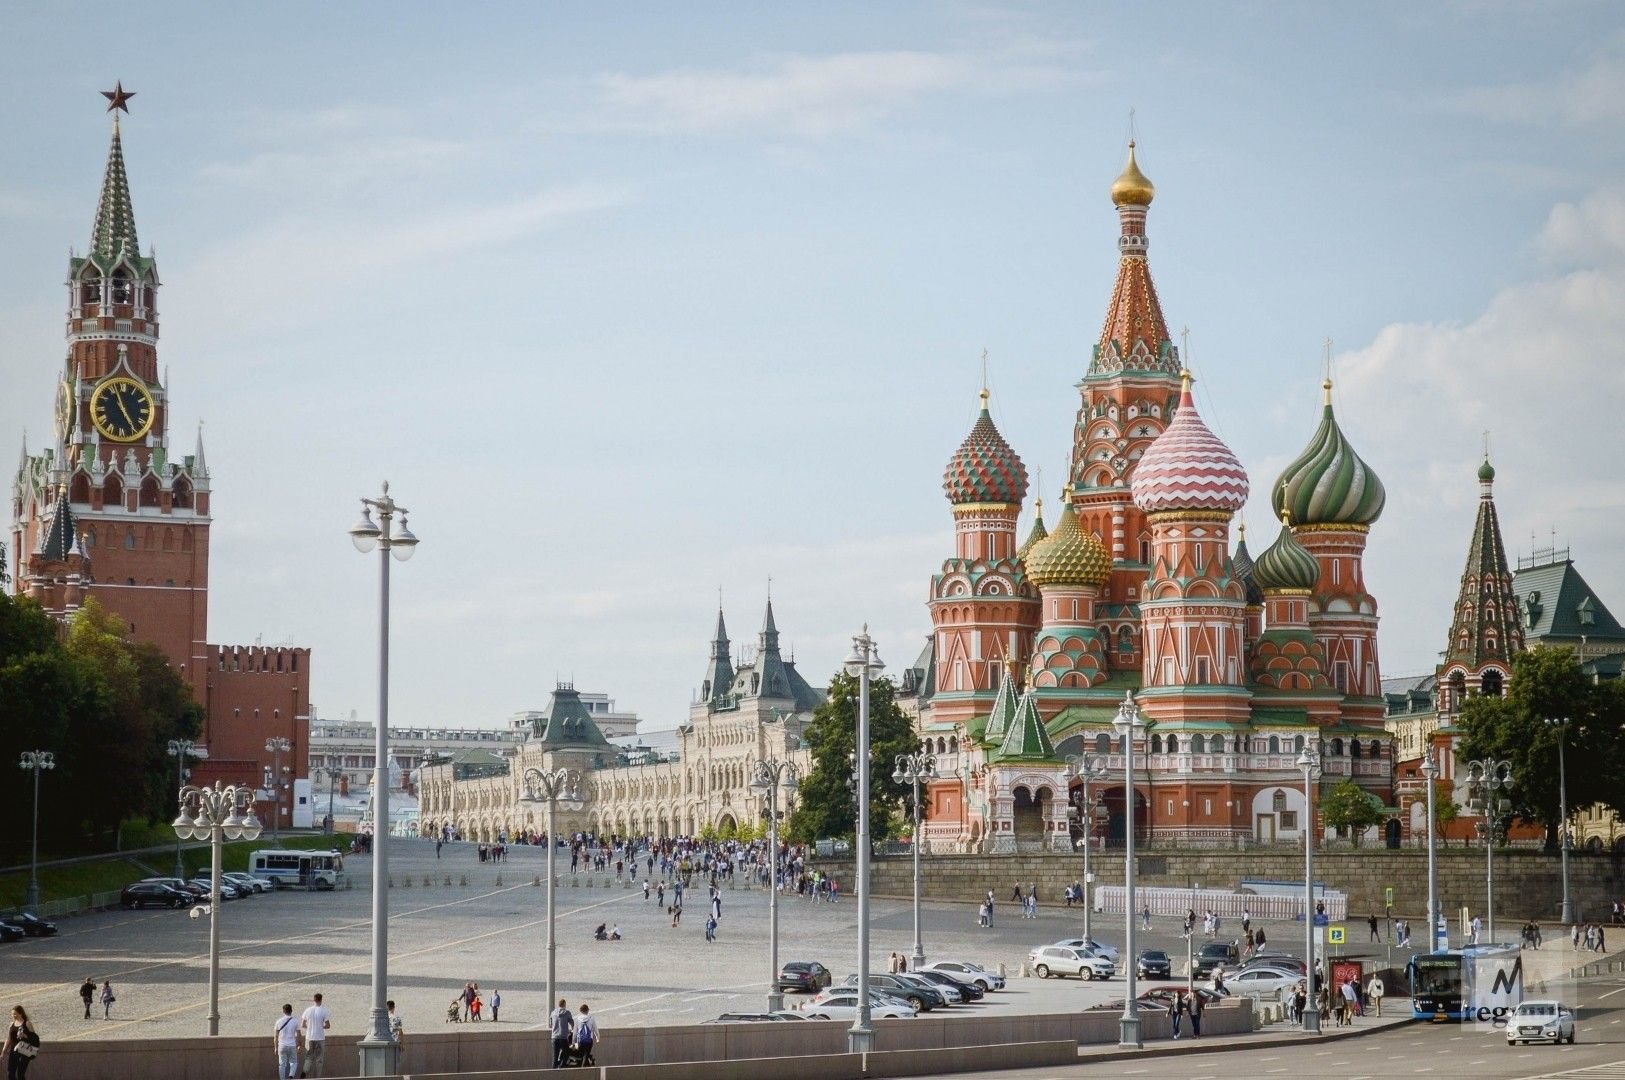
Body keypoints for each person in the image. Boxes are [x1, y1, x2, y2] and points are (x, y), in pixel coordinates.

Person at [300, 991, 331, 1077]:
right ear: (321, 1000)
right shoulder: (324, 1010)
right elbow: (328, 1025)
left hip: (309, 1037)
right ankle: (317, 1077)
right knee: (319, 1059)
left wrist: (309, 1027)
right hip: (320, 1038)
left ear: (313, 1000)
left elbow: (302, 1024)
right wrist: (321, 1026)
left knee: (308, 1057)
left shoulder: (308, 1010)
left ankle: (304, 1072)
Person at [4, 1006, 39, 1080]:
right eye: (12, 1014)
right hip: (13, 1051)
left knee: (20, 1074)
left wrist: (25, 1036)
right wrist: (3, 1051)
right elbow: (9, 1039)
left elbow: (35, 1038)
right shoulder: (11, 1024)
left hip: (24, 1051)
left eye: (15, 1014)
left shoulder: (27, 1023)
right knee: (10, 1074)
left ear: (21, 1014)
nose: (13, 1016)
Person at [273, 1003, 299, 1079]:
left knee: (282, 1065)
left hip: (282, 1045)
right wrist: (299, 1045)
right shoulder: (295, 1021)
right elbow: (298, 1034)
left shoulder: (278, 1021)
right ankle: (291, 1076)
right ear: (291, 1011)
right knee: (294, 1062)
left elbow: (275, 1036)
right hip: (292, 1045)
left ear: (283, 1011)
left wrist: (275, 1047)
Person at [550, 998, 575, 1069]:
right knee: (566, 1054)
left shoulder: (553, 1012)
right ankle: (561, 1066)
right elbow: (572, 1023)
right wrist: (571, 1030)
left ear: (558, 1004)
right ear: (564, 1004)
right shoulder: (567, 1012)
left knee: (555, 1057)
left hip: (554, 1037)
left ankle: (553, 1072)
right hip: (563, 1038)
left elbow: (550, 1024)